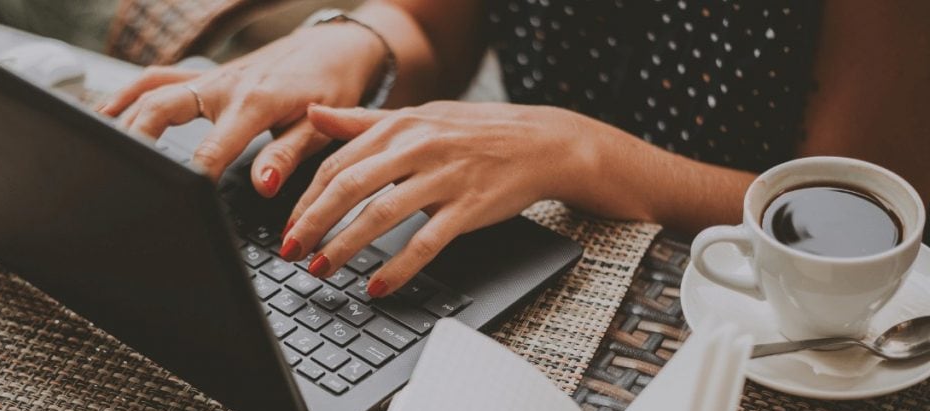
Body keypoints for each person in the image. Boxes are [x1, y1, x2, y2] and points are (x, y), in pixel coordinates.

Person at [99, 0, 930, 298]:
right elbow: (430, 25)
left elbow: (865, 209)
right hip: (514, 254)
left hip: (730, 302)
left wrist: (586, 155)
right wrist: (354, 40)